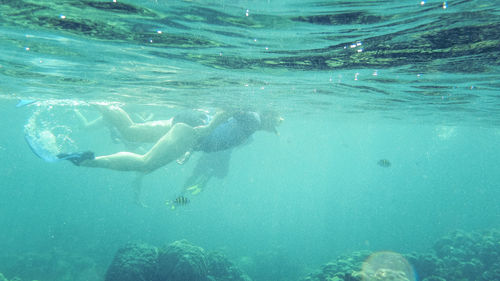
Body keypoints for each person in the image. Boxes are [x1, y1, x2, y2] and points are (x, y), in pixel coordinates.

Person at [61, 104, 283, 174]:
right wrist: (206, 129)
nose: (277, 125)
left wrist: (189, 150)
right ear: (269, 114)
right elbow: (227, 110)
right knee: (146, 164)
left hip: (190, 123)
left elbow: (222, 134)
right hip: (193, 130)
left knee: (130, 130)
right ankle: (87, 161)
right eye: (278, 120)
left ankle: (87, 101)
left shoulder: (252, 129)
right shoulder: (255, 119)